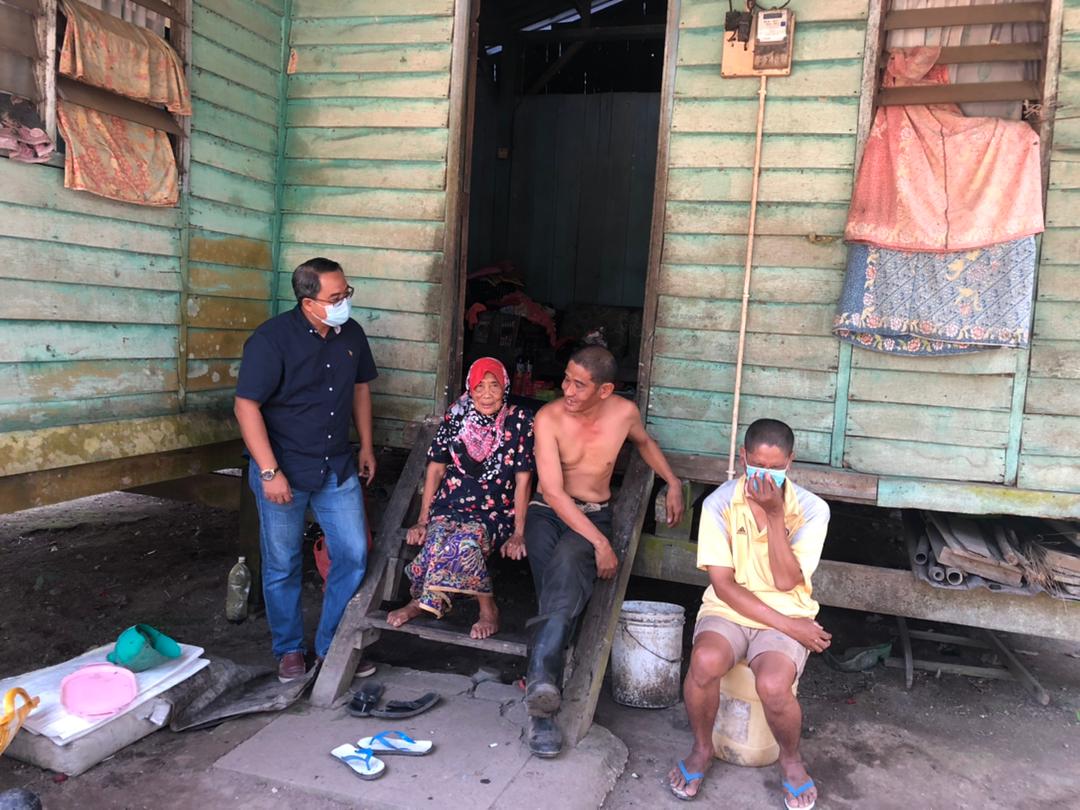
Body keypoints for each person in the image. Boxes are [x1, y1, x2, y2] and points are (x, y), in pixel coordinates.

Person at [523, 345, 685, 757]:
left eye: (579, 384)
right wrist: (601, 544)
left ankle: (542, 703)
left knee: (565, 567)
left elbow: (645, 443)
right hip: (547, 512)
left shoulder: (623, 414)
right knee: (556, 591)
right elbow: (554, 493)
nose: (567, 390)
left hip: (594, 513)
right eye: (566, 379)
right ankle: (545, 685)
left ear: (605, 390)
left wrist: (673, 481)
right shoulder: (549, 417)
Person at [668, 419, 831, 808]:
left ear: (790, 461)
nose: (766, 475)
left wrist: (775, 517)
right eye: (758, 465)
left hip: (786, 605)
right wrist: (792, 627)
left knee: (773, 685)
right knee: (705, 661)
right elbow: (724, 585)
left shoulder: (812, 509)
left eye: (776, 468)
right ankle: (702, 748)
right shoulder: (719, 503)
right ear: (743, 457)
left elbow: (786, 581)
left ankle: (791, 761)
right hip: (731, 609)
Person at [234, 257, 378, 683]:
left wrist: (367, 445)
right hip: (284, 469)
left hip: (336, 465)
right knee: (283, 564)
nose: (344, 302)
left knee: (353, 554)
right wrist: (268, 471)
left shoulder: (351, 333)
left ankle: (332, 644)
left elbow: (360, 389)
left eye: (346, 293)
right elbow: (246, 406)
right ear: (308, 302)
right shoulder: (271, 340)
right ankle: (289, 649)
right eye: (335, 297)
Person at [387, 357, 534, 640]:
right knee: (435, 539)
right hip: (449, 505)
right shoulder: (456, 416)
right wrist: (422, 520)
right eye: (480, 387)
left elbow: (523, 480)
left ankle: (488, 610)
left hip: (494, 512)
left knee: (465, 543)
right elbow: (435, 469)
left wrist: (518, 533)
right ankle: (419, 602)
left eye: (494, 386)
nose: (487, 394)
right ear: (470, 389)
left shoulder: (519, 420)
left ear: (505, 387)